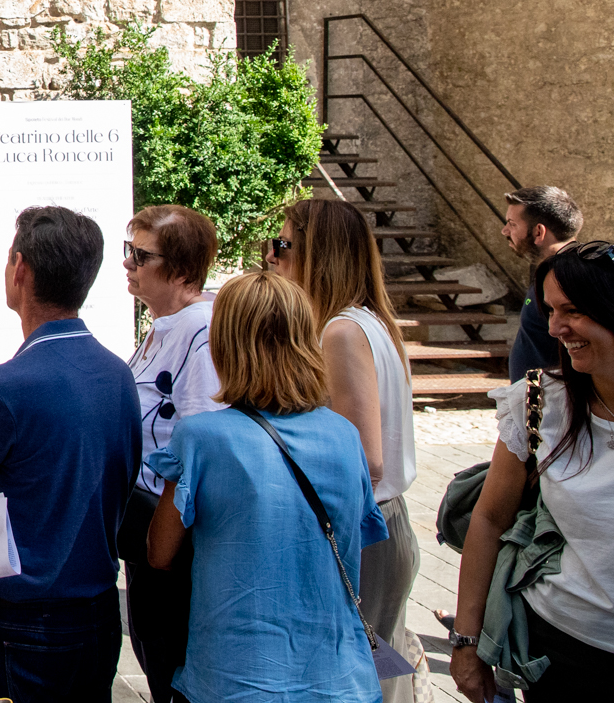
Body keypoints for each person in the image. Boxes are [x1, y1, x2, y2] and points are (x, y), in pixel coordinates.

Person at [0, 205, 139, 703]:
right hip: (99, 610)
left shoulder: (3, 388)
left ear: (20, 269)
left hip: (21, 618)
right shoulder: (117, 374)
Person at [145, 270, 388, 703]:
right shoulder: (345, 436)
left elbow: (160, 553)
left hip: (234, 674)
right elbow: (356, 542)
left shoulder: (201, 438)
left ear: (225, 344)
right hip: (338, 677)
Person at [450, 242, 614, 702]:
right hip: (566, 651)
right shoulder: (539, 402)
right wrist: (466, 643)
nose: (555, 327)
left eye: (574, 311)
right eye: (550, 310)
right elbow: (489, 519)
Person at [270, 198, 419, 698]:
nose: (271, 256)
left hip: (364, 530)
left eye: (284, 245)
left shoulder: (342, 330)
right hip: (379, 524)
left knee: (353, 681)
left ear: (320, 254)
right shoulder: (367, 321)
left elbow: (364, 459)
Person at [118, 204, 222, 703]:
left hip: (172, 540)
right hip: (150, 531)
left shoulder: (200, 332)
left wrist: (162, 545)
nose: (128, 264)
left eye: (141, 256)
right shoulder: (166, 323)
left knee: (172, 669)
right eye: (128, 251)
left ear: (181, 271)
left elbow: (199, 444)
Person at [502, 186, 583, 378]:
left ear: (539, 232)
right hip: (537, 400)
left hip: (556, 402)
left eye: (512, 224)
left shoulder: (570, 278)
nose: (505, 231)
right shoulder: (549, 271)